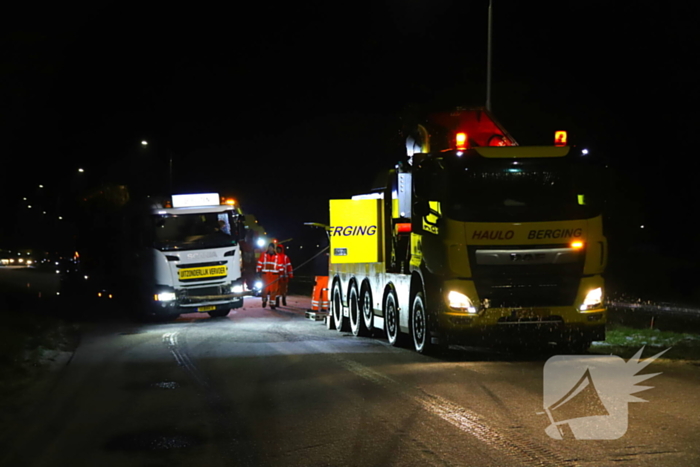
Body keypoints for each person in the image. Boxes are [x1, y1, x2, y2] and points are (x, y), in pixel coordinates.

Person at [256, 243, 283, 309]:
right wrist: (258, 271)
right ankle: (264, 301)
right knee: (265, 289)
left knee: (273, 290)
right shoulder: (263, 254)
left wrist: (281, 273)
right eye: (269, 247)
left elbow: (280, 265)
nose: (270, 249)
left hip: (274, 276)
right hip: (265, 275)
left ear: (273, 248)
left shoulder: (278, 256)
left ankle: (272, 304)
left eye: (271, 247)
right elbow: (260, 262)